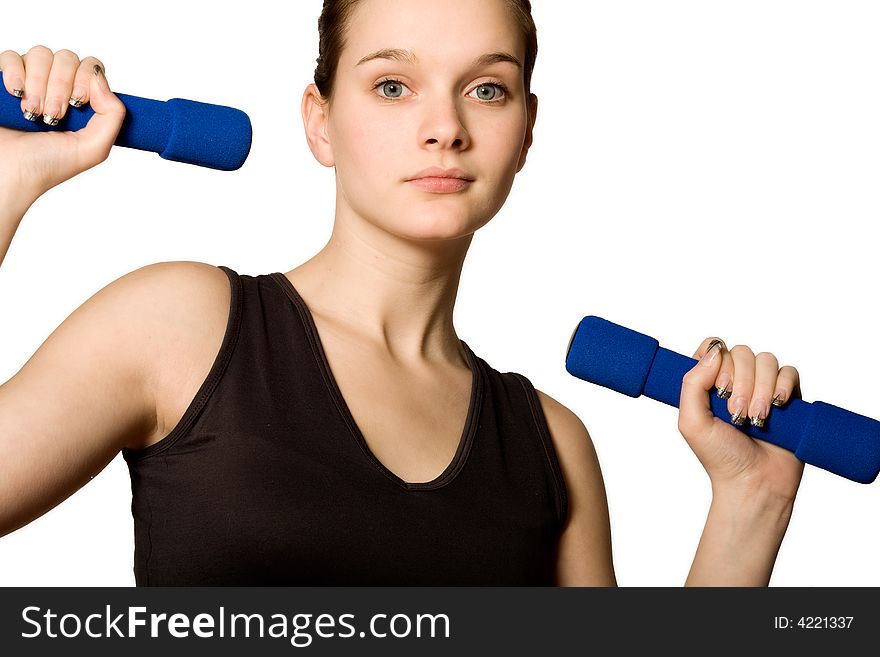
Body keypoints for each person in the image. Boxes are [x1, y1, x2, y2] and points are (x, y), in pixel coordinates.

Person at [0, 0, 804, 585]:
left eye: (487, 89)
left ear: (526, 130)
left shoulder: (551, 445)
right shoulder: (178, 327)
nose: (444, 126)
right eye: (393, 85)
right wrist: (5, 182)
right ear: (320, 121)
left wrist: (750, 501)